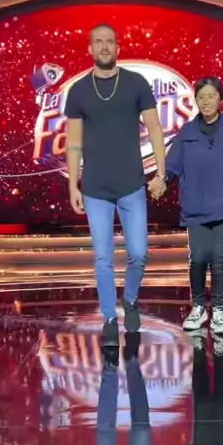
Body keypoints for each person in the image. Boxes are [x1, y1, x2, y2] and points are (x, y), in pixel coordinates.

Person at [65, 24, 166, 346]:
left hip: (132, 184)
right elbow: (73, 143)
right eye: (98, 42)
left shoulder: (136, 83)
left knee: (139, 253)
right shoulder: (79, 90)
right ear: (90, 49)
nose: (104, 47)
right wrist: (73, 185)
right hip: (95, 188)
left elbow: (155, 130)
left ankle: (130, 300)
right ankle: (109, 317)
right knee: (103, 258)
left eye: (110, 42)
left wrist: (161, 174)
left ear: (118, 48)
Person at [150, 77, 223, 335]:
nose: (206, 101)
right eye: (201, 97)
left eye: (211, 96)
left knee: (219, 259)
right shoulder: (186, 133)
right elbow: (171, 167)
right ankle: (198, 308)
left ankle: (218, 312)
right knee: (198, 258)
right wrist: (161, 181)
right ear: (195, 101)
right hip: (196, 206)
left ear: (222, 99)